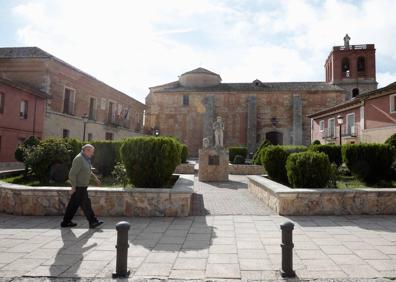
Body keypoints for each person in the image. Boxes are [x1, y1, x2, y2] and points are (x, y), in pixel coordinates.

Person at [61, 144, 103, 229]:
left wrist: (95, 179)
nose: (92, 154)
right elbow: (72, 174)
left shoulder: (86, 159)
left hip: (82, 186)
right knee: (86, 204)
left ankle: (65, 222)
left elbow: (88, 171)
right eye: (91, 152)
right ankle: (93, 222)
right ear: (86, 150)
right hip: (79, 187)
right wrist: (73, 187)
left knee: (73, 205)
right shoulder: (79, 159)